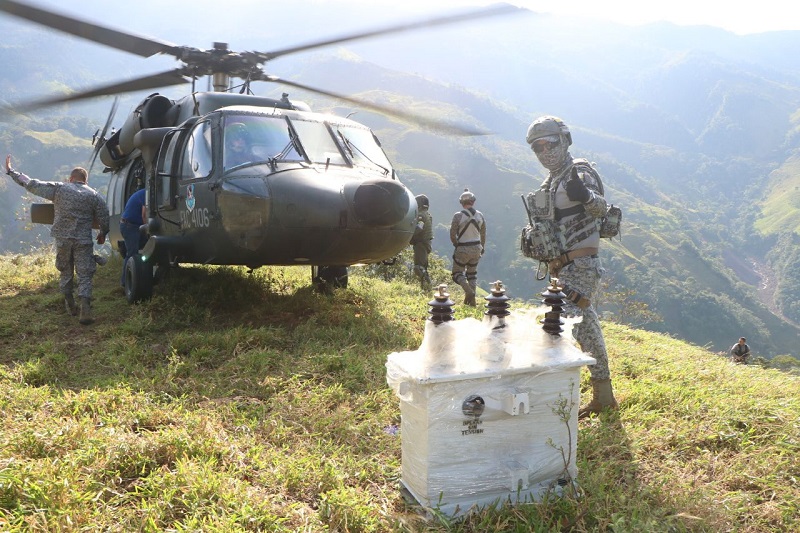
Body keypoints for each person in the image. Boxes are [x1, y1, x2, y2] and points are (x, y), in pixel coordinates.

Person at [526, 115, 617, 418]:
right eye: (537, 147)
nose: (544, 151)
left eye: (549, 143)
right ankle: (603, 396)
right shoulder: (550, 181)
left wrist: (586, 196)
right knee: (586, 329)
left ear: (564, 140)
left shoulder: (578, 173)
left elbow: (601, 208)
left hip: (581, 263)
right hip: (562, 266)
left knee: (561, 325)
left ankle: (553, 397)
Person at [5, 154, 110, 325]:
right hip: (83, 240)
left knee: (66, 272)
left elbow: (32, 184)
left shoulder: (60, 188)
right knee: (85, 274)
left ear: (71, 179)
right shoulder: (94, 195)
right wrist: (103, 233)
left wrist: (11, 172)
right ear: (86, 181)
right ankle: (85, 309)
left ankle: (71, 306)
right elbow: (104, 216)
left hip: (62, 240)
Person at [449, 188, 486, 306]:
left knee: (457, 274)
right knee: (472, 274)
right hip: (477, 248)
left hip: (463, 248)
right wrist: (482, 248)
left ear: (461, 203)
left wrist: (456, 245)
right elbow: (483, 234)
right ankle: (472, 302)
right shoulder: (480, 215)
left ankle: (469, 292)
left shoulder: (458, 216)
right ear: (473, 201)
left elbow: (452, 234)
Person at [119, 187, 147, 289]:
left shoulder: (142, 193)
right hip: (130, 226)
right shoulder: (147, 193)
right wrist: (149, 230)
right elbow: (144, 215)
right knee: (132, 254)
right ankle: (125, 283)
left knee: (143, 248)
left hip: (132, 225)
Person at [410, 194, 433, 291]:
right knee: (422, 267)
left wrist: (407, 237)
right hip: (425, 243)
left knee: (418, 268)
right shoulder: (427, 214)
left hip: (421, 243)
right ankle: (425, 289)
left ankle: (428, 287)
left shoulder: (421, 215)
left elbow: (418, 228)